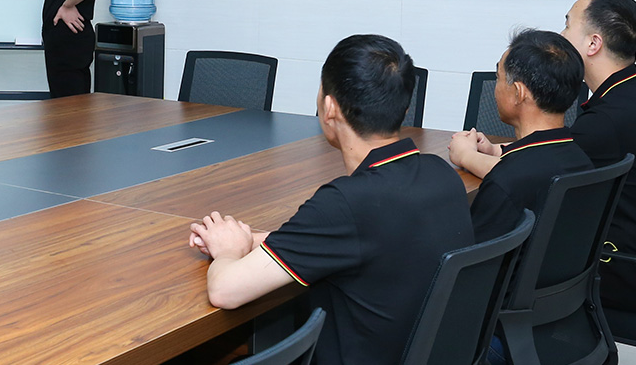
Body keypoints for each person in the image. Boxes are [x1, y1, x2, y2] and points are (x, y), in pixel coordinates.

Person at [188, 34, 473, 365]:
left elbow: (225, 291)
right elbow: (366, 241)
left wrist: (226, 252)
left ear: (329, 108)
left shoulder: (346, 203)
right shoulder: (440, 173)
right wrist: (251, 241)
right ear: (404, 107)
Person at [448, 29, 592, 243]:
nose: (496, 88)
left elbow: (469, 257)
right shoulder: (581, 160)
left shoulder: (506, 182)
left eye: (498, 78)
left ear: (518, 93)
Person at [558, 0, 636, 319]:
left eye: (567, 25)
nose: (560, 37)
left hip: (616, 270)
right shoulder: (625, 96)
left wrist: (470, 156)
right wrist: (501, 149)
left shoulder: (604, 123)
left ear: (593, 44)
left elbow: (538, 175)